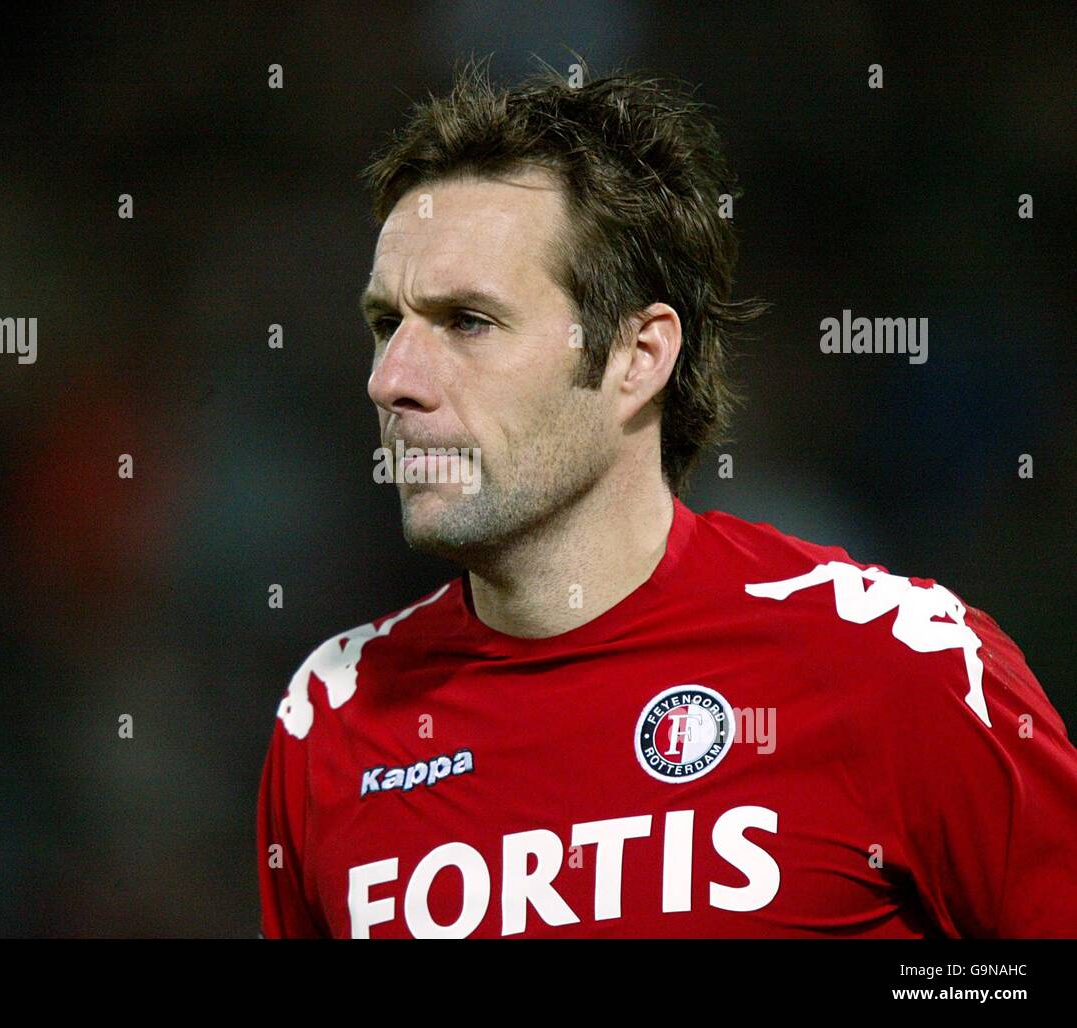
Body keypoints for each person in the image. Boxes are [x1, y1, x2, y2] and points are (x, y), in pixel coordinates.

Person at [256, 60, 1077, 939]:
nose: (392, 381)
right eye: (388, 325)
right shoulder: (333, 719)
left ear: (637, 357)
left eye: (468, 322)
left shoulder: (894, 664)